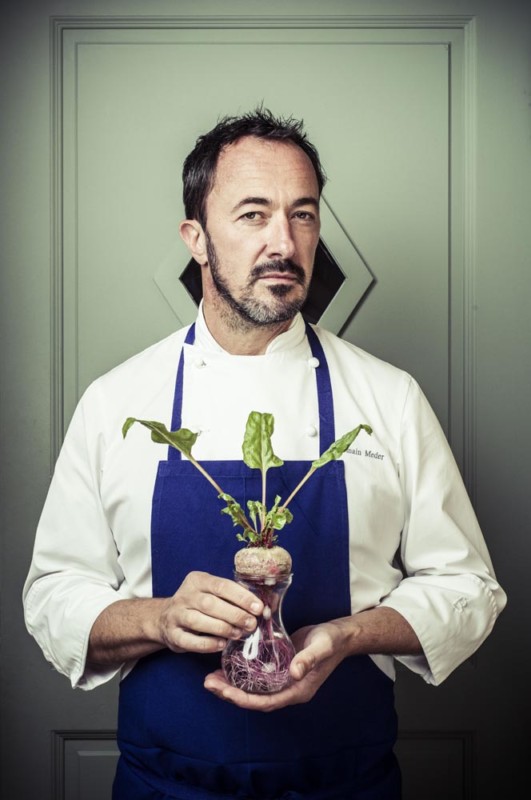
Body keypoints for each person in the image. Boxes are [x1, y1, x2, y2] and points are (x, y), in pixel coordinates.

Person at [23, 108, 506, 799]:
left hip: (345, 784)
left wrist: (342, 637)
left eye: (302, 214)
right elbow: (53, 597)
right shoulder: (117, 402)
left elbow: (467, 590)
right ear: (196, 237)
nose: (284, 241)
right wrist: (158, 618)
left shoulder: (387, 397)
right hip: (166, 786)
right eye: (253, 214)